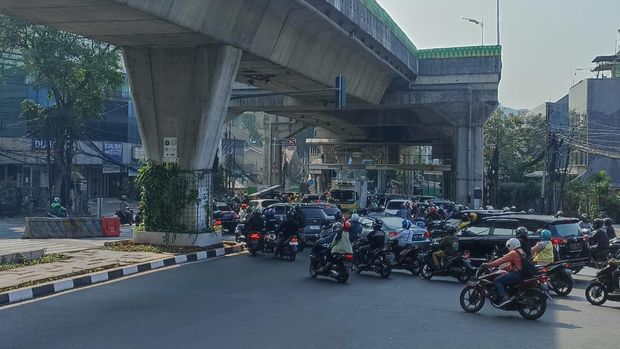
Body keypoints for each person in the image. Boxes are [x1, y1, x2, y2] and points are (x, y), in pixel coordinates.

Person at [483, 238, 525, 307]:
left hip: (516, 274)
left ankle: (504, 298)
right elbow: (514, 264)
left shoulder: (513, 253)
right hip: (521, 273)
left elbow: (501, 260)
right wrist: (501, 268)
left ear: (510, 245)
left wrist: (489, 264)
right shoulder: (521, 251)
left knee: (497, 280)